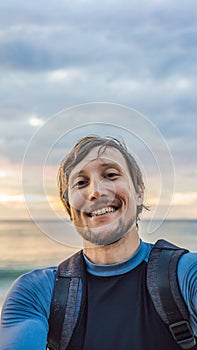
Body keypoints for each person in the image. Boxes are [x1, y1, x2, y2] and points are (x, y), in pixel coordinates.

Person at [0, 136, 196, 350]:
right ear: (69, 206)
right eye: (81, 183)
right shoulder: (37, 292)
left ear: (139, 192)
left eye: (111, 175)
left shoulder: (185, 275)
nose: (95, 192)